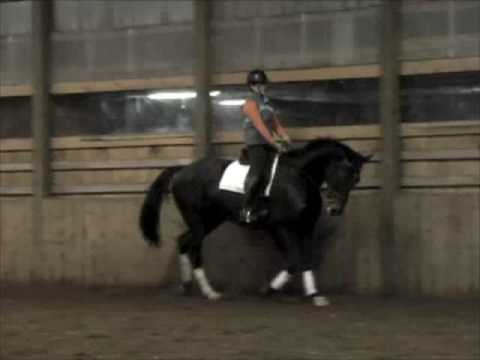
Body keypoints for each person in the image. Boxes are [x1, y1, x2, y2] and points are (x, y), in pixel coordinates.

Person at [239, 69, 292, 224]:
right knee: (258, 175)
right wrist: (274, 142)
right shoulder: (250, 103)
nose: (260, 87)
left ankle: (265, 205)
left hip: (267, 142)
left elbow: (275, 124)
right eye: (256, 84)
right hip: (255, 143)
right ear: (251, 86)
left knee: (274, 174)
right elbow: (260, 125)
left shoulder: (266, 103)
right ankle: (246, 209)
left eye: (262, 84)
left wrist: (285, 136)